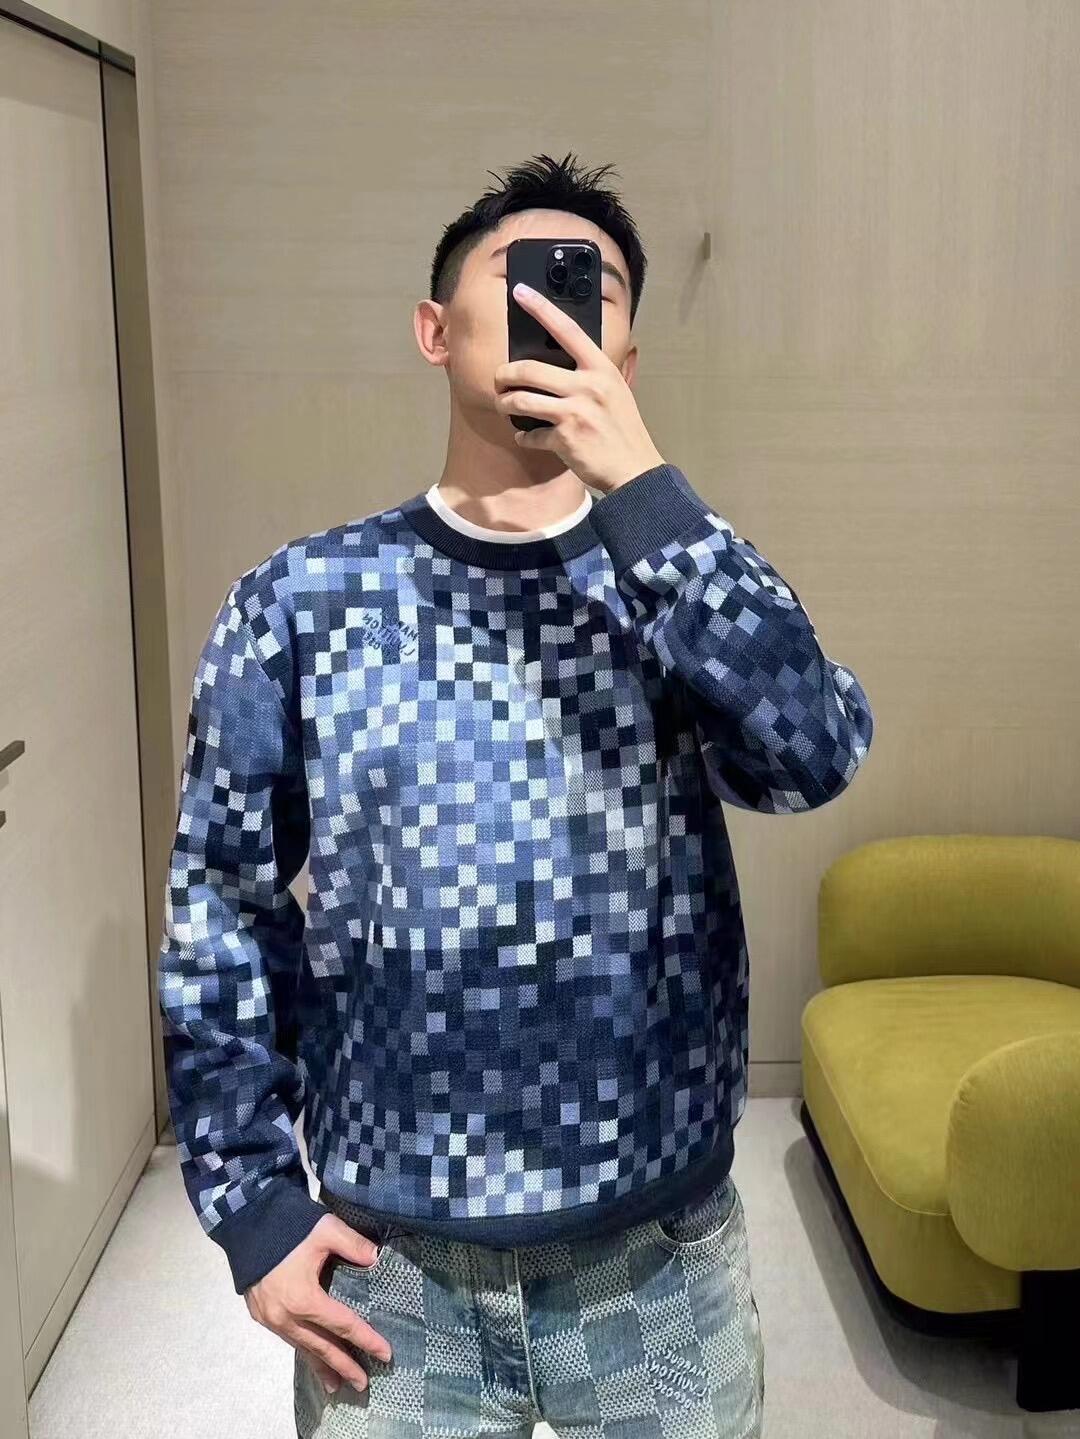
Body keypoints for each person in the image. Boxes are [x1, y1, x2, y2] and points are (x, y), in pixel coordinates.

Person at [158, 151, 874, 1439]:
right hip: (393, 1257)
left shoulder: (673, 580)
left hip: (656, 1249)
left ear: (625, 359)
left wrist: (648, 498)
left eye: (586, 290)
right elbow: (220, 904)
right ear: (434, 331)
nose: (549, 307)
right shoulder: (303, 601)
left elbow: (812, 754)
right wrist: (251, 1203)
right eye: (516, 278)